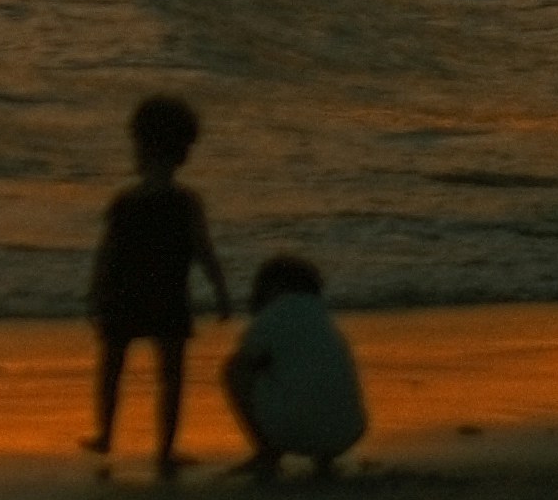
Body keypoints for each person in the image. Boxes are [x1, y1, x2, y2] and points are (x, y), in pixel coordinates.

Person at [87, 92, 226, 473]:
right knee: (171, 376)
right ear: (182, 152)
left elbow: (106, 254)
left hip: (123, 295)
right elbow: (204, 251)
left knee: (112, 367)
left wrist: (95, 293)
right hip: (168, 296)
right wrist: (220, 291)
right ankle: (165, 450)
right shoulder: (186, 201)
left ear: (142, 147)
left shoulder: (124, 201)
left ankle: (105, 434)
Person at [222, 250, 365, 478]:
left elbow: (248, 357)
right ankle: (324, 459)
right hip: (348, 433)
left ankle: (267, 453)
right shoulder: (322, 316)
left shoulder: (271, 316)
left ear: (273, 286)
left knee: (234, 369)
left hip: (296, 431)